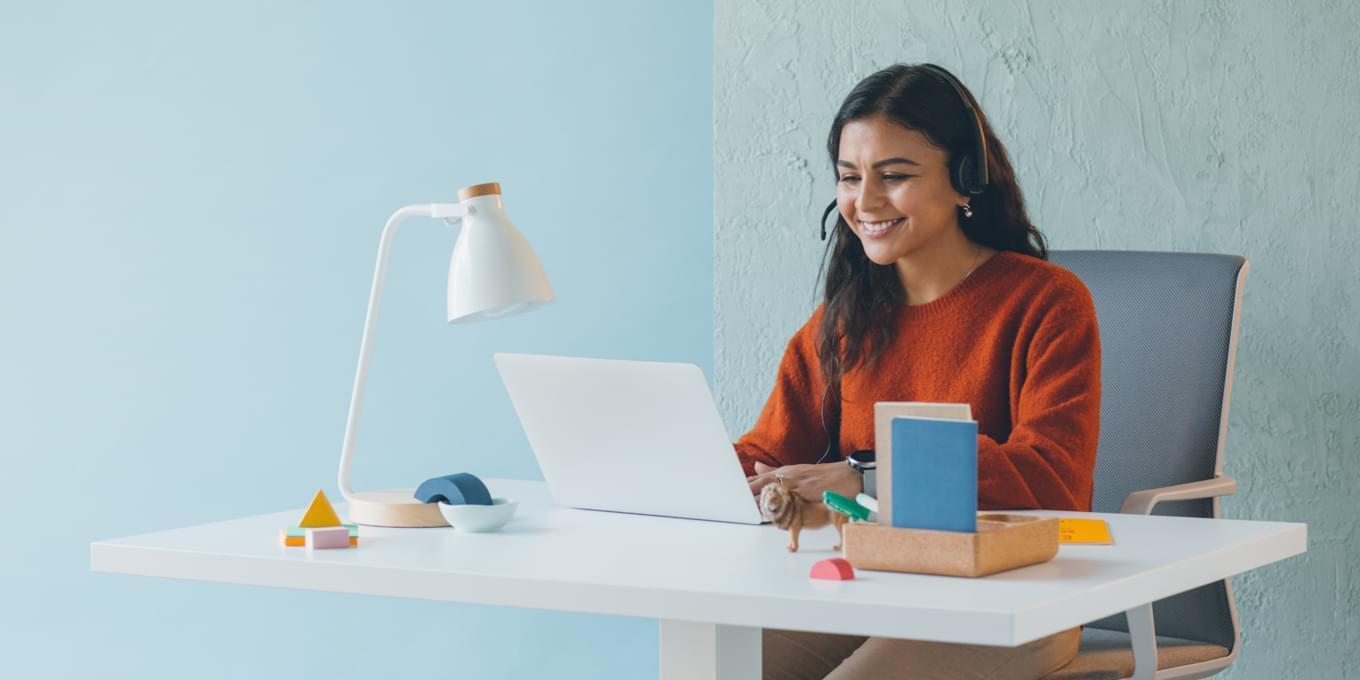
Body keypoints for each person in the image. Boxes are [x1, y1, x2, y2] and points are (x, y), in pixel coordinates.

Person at [734, 63, 1101, 680]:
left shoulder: (1048, 303)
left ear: (965, 181)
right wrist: (677, 474)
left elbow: (1052, 479)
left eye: (894, 176)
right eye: (850, 178)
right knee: (718, 664)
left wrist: (869, 479)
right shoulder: (843, 322)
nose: (865, 201)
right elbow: (769, 455)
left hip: (1017, 597)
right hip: (869, 583)